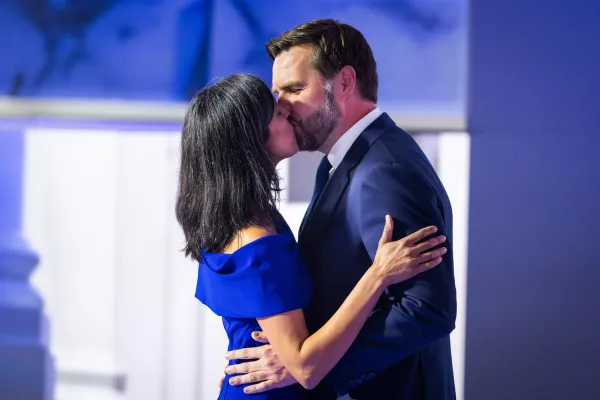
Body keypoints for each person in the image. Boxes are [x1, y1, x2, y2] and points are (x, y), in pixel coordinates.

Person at [175, 73, 447, 400]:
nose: (287, 109)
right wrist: (378, 275)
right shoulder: (256, 240)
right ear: (249, 139)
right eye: (275, 111)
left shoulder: (233, 218)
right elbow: (304, 367)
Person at [224, 20, 457, 400]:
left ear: (345, 82)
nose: (282, 105)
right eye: (278, 92)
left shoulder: (384, 169)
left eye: (295, 89)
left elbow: (427, 309)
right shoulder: (343, 162)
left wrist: (309, 366)